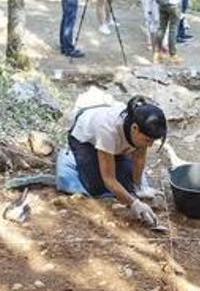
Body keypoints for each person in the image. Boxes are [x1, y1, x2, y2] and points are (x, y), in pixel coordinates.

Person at [66, 97, 165, 227]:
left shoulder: (142, 130)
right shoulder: (107, 130)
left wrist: (138, 187)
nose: (150, 145)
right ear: (134, 128)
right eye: (147, 140)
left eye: (153, 141)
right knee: (96, 186)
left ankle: (114, 161)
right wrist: (133, 203)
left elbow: (139, 158)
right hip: (84, 139)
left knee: (127, 182)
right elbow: (109, 178)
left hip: (112, 144)